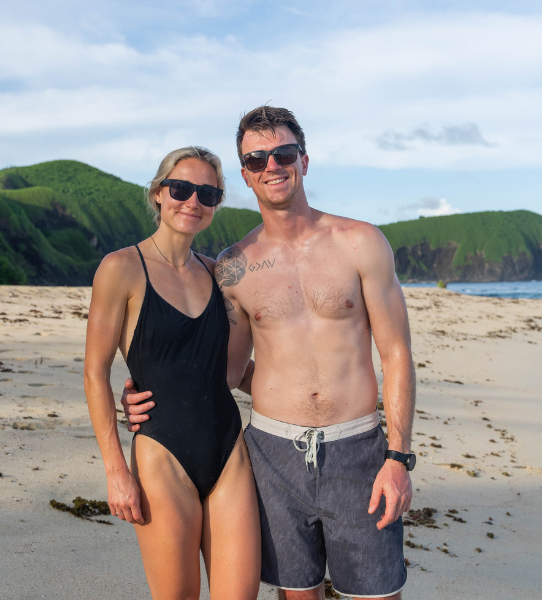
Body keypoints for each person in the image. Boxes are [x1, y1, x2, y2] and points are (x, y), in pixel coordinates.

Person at [123, 107, 416, 600]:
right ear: (245, 174)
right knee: (296, 595)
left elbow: (397, 354)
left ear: (304, 160)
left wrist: (399, 457)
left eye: (283, 154)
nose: (271, 166)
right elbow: (226, 370)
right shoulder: (235, 267)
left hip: (357, 449)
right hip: (274, 454)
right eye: (257, 159)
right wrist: (148, 391)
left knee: (377, 595)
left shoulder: (361, 242)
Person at [84, 146, 260, 600]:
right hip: (162, 455)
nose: (193, 201)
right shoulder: (121, 268)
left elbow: (234, 370)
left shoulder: (219, 274)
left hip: (228, 449)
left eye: (207, 193)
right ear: (158, 193)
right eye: (181, 188)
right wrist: (116, 471)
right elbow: (94, 372)